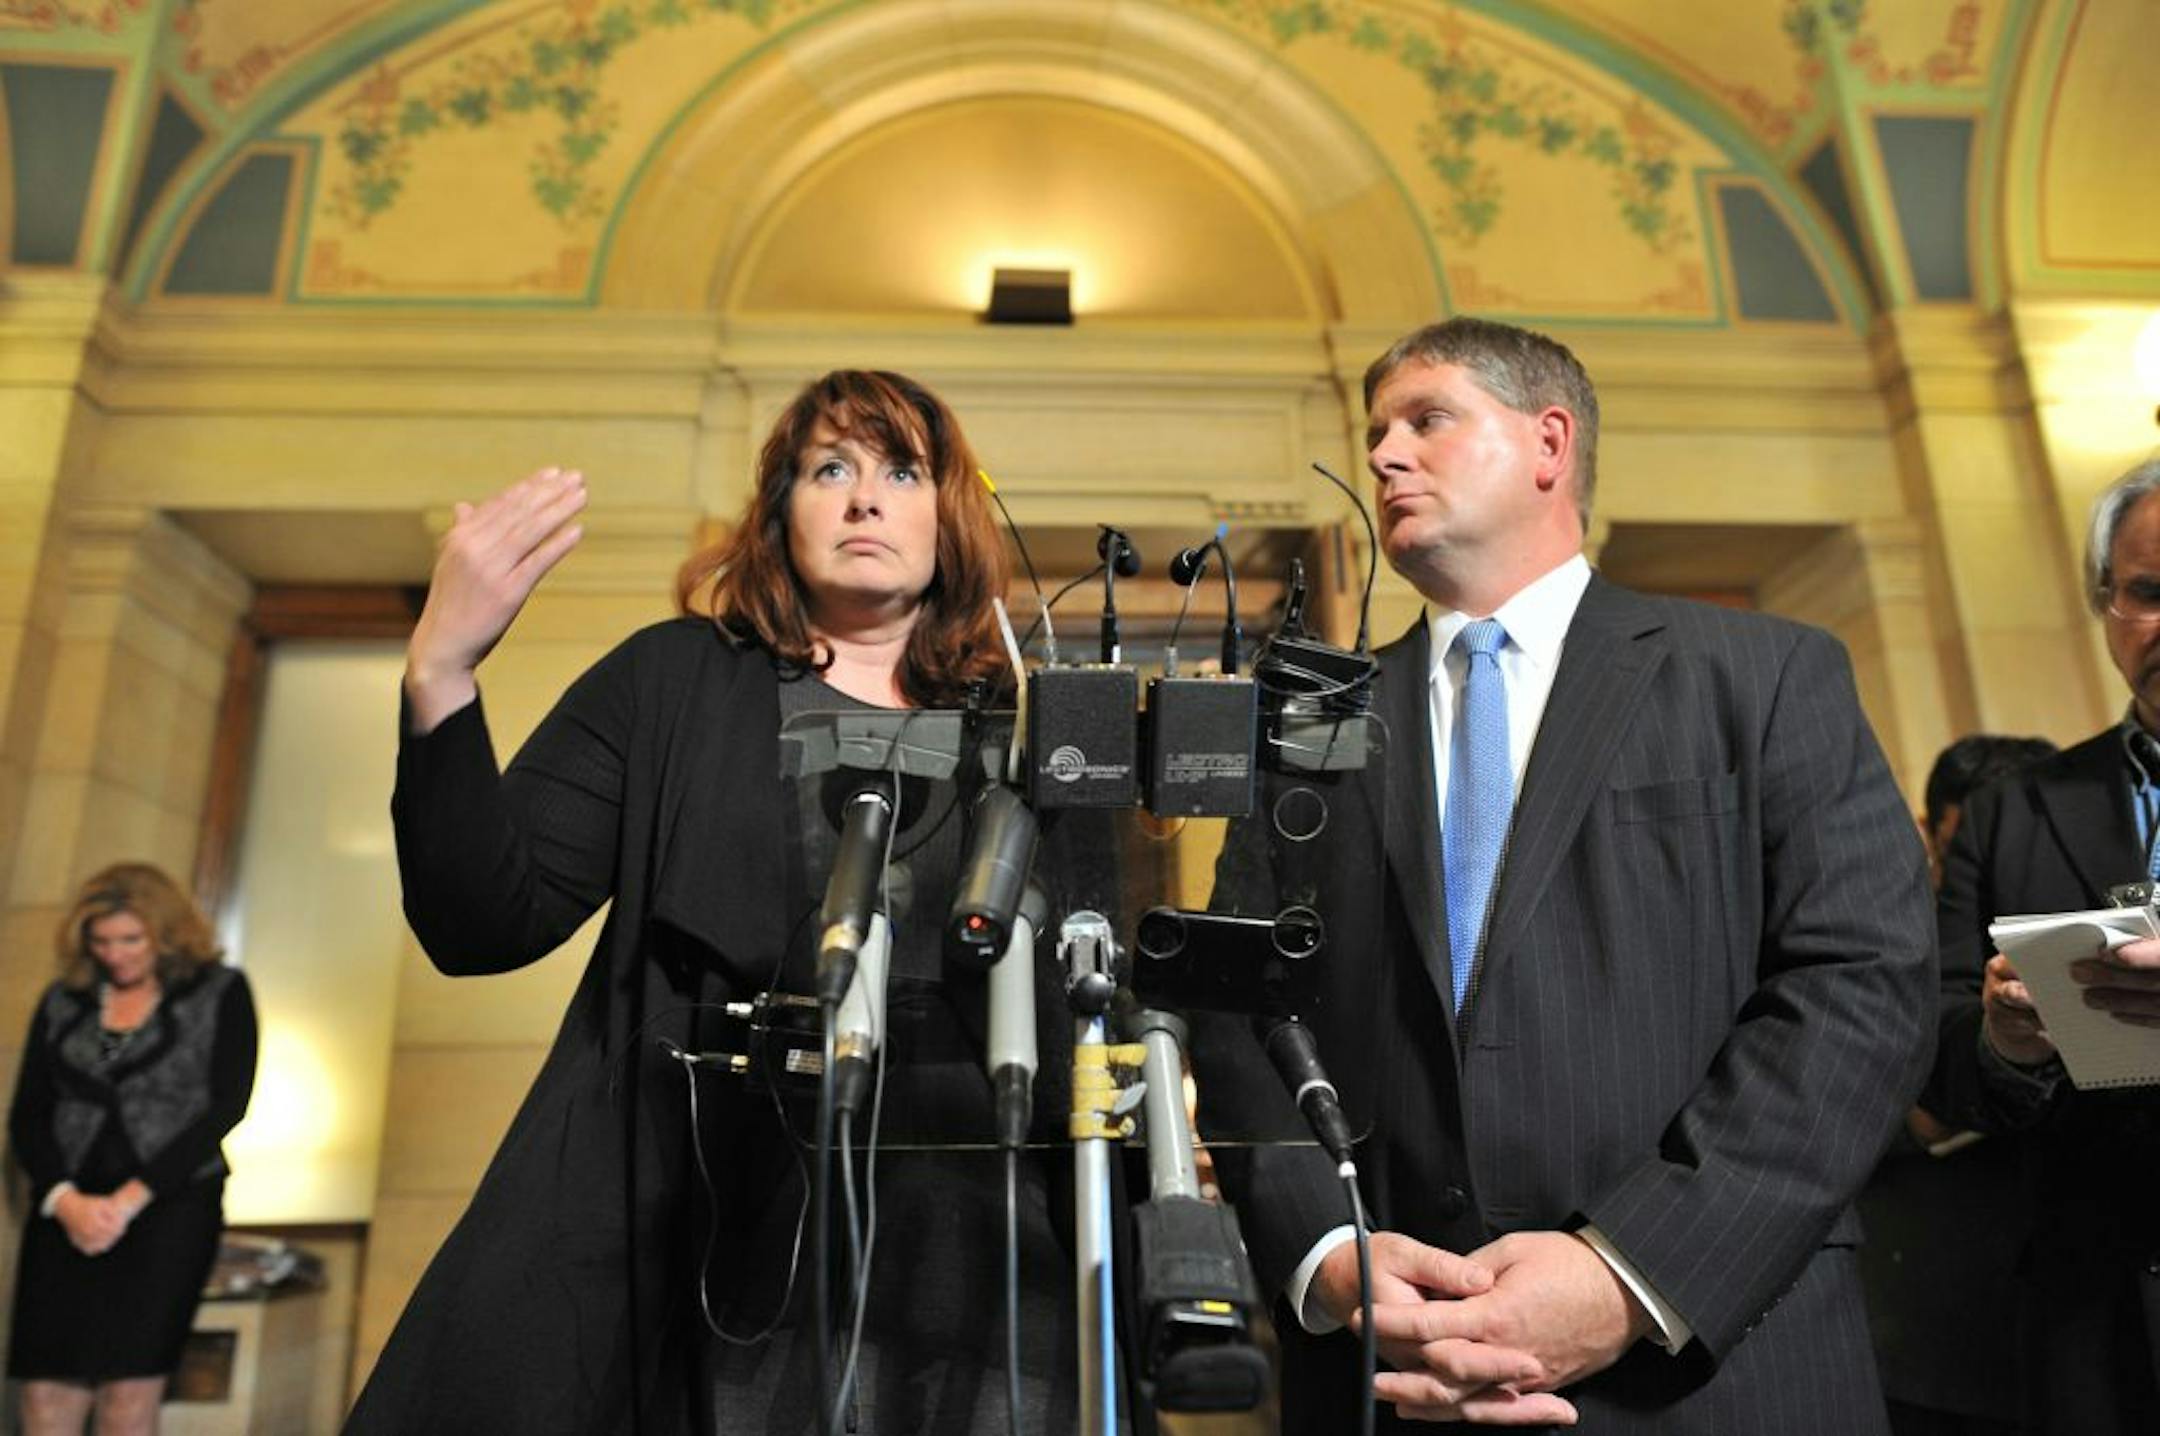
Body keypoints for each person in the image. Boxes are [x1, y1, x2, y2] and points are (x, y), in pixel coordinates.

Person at [344, 370, 1123, 1434]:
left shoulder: (1035, 722)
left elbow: (1095, 1002)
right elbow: (483, 921)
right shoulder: (673, 681)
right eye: (829, 469)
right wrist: (443, 668)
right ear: (779, 511)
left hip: (965, 1263)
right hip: (709, 1241)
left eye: (902, 471)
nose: (864, 499)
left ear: (949, 513)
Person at [1196, 316, 1935, 1432]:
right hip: (1397, 1376)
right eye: (1376, 432)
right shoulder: (1308, 724)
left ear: (1550, 442)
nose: (1385, 454)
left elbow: (1861, 990)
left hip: (1712, 1369)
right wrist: (1324, 1248)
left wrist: (1629, 1271)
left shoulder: (1766, 674)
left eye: (1427, 419)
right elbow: (1240, 1001)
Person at [1928, 457, 2160, 1436]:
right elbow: (1934, 1045)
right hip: (2096, 1304)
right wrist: (2007, 1045)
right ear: (2105, 606)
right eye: (2148, 592)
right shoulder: (2011, 814)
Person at [8, 862, 259, 1436]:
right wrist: (64, 1200)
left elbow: (225, 1106)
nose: (115, 953)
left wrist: (127, 1201)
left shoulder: (219, 992)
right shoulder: (64, 1001)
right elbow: (28, 1114)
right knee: (46, 1395)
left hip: (166, 1213)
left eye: (130, 939)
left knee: (129, 1395)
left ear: (164, 932)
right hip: (65, 1212)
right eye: (102, 941)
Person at [1856, 734, 2055, 1436]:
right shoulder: (1869, 943)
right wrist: (1926, 1116)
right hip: (1934, 1334)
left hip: (2081, 1315)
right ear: (1930, 838)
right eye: (1971, 851)